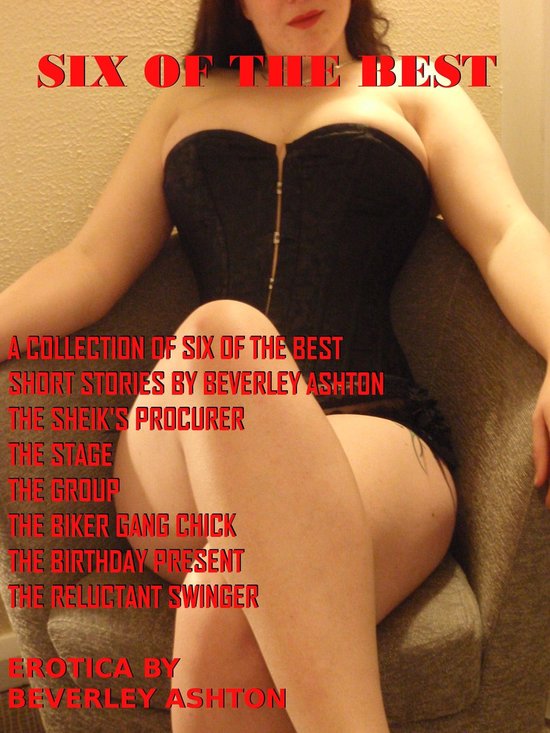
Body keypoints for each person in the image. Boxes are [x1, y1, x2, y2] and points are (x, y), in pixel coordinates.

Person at [1, 1, 549, 731]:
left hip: (371, 431)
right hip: (188, 442)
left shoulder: (420, 93)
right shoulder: (186, 100)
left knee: (224, 610)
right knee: (225, 335)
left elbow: (508, 235)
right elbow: (91, 262)